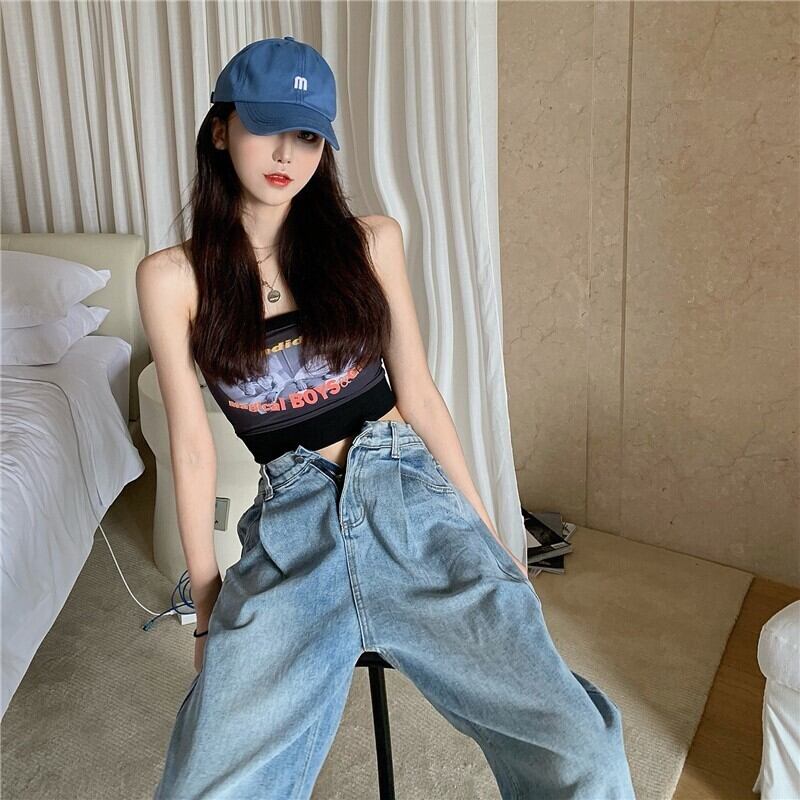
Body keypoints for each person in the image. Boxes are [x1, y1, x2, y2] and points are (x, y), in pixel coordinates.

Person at [137, 35, 636, 800]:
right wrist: (206, 606)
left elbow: (422, 395)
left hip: (408, 496)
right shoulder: (173, 278)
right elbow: (192, 447)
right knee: (203, 786)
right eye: (267, 127)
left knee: (583, 753)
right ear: (220, 129)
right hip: (292, 529)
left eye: (307, 136)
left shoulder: (369, 242)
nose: (287, 154)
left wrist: (493, 538)